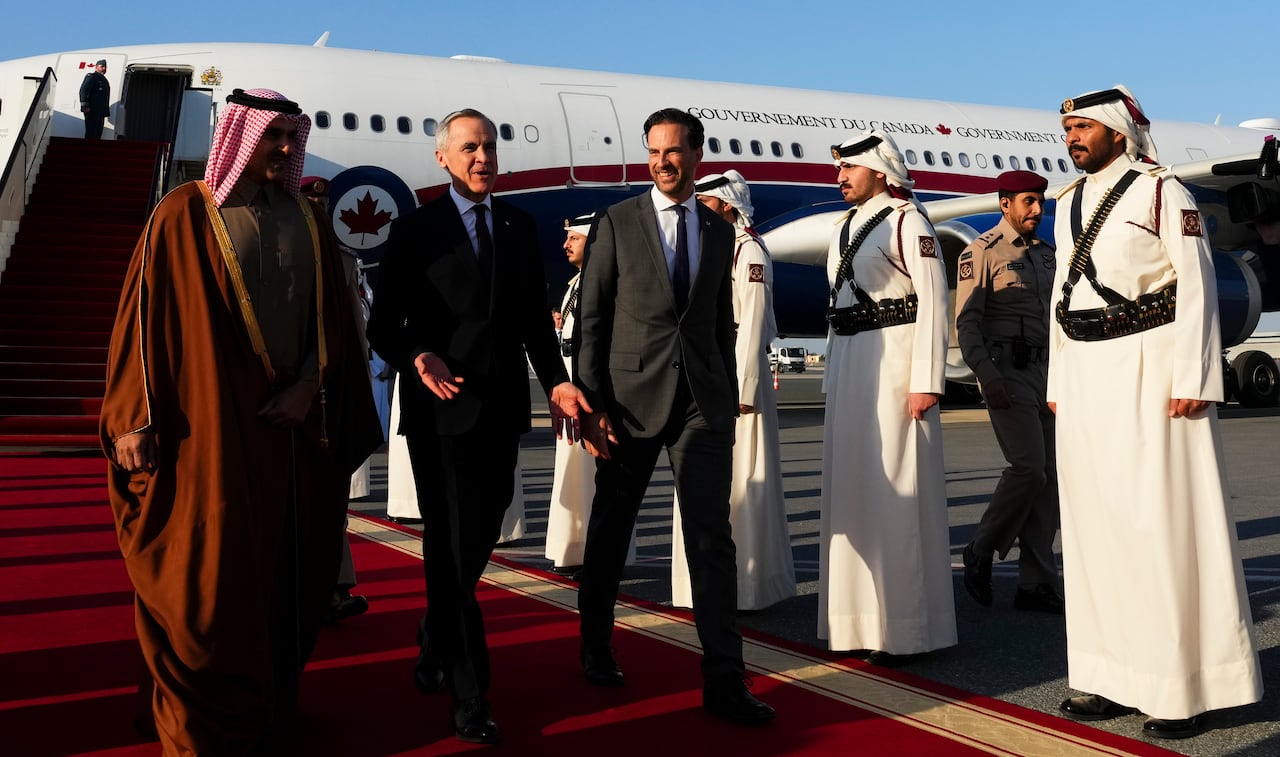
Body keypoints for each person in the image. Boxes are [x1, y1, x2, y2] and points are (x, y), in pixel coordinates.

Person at [100, 88, 383, 754]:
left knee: (287, 575)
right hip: (209, 434)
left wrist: (310, 386)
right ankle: (198, 721)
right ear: (238, 134)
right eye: (271, 135)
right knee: (206, 579)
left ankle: (267, 702)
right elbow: (144, 322)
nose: (284, 148)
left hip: (289, 439)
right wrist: (135, 419)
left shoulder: (309, 218)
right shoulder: (183, 214)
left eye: (292, 135)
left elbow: (334, 320)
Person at [366, 108, 589, 745]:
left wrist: (557, 382)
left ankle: (436, 629)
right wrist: (416, 353)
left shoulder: (518, 227)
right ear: (443, 158)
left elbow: (529, 325)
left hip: (498, 413)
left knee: (482, 530)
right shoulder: (415, 231)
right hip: (437, 413)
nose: (482, 157)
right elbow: (384, 323)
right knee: (452, 544)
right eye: (469, 147)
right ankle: (471, 694)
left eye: (489, 146)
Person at [1050, 85, 1263, 739]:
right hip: (1087, 374)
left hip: (1150, 365)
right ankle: (1110, 675)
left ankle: (1180, 687)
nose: (1073, 137)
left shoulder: (1162, 191)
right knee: (1096, 531)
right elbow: (1063, 295)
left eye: (1084, 126)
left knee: (1158, 527)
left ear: (1119, 131)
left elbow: (1194, 283)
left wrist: (1196, 373)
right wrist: (1058, 380)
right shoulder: (1067, 204)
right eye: (1067, 129)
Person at [575, 108, 775, 725]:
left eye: (674, 152)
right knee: (612, 529)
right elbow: (594, 318)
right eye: (654, 152)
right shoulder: (617, 221)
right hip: (629, 404)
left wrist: (723, 392)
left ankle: (725, 679)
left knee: (712, 539)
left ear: (697, 156)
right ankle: (596, 643)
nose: (663, 162)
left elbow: (718, 321)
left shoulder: (718, 233)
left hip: (701, 406)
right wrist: (593, 402)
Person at [818, 129, 955, 664]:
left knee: (895, 491)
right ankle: (854, 622)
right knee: (854, 488)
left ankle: (905, 627)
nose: (841, 176)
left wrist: (926, 378)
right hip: (853, 361)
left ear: (879, 170)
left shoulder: (907, 220)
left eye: (850, 167)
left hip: (896, 361)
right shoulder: (844, 227)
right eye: (839, 168)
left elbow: (934, 299)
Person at [670, 170, 796, 611]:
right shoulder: (708, 248)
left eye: (704, 202)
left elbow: (755, 319)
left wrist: (742, 387)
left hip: (736, 376)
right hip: (704, 368)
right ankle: (700, 586)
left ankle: (749, 586)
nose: (697, 208)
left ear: (726, 205)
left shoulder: (748, 250)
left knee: (745, 475)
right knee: (699, 476)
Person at [954, 170, 1063, 614]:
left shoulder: (1048, 255)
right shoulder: (980, 253)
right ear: (1005, 204)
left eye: (1039, 201)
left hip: (1049, 373)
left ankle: (1035, 583)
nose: (1037, 209)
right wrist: (986, 374)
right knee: (1028, 468)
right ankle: (981, 547)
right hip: (1007, 372)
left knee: (1050, 479)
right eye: (1027, 202)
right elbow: (967, 322)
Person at [300, 175, 376, 624]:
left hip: (325, 397)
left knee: (328, 498)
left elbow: (355, 334)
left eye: (323, 200)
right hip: (274, 391)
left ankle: (332, 587)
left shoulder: (343, 260)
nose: (319, 204)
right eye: (311, 196)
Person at [79, 59, 110, 139]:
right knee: (91, 132)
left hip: (100, 111)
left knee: (98, 133)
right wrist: (85, 105)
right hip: (92, 110)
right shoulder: (92, 76)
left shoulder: (104, 80)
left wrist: (105, 111)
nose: (104, 68)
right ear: (96, 67)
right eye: (102, 66)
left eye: (105, 67)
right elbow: (84, 90)